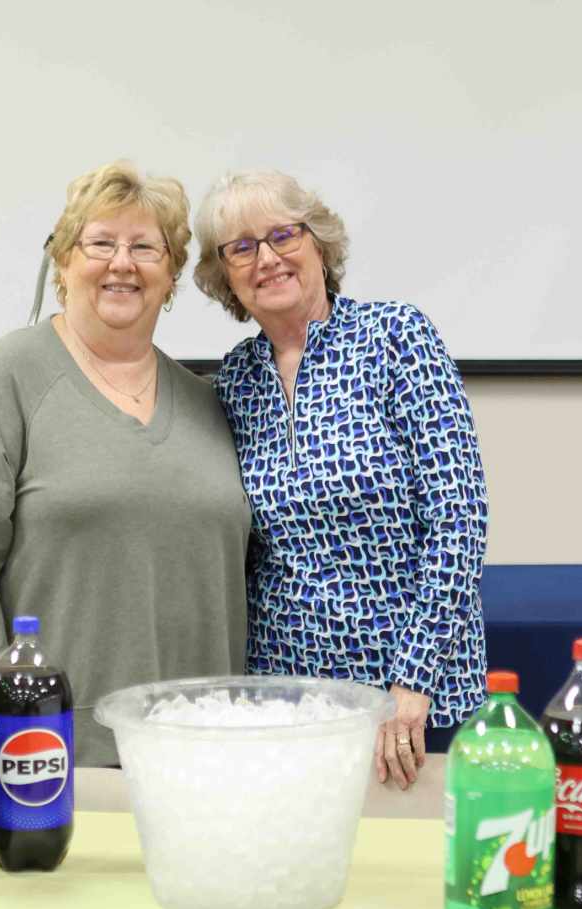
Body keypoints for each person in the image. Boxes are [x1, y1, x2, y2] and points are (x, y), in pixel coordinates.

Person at [0, 161, 250, 766]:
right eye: (100, 243)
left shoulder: (209, 401)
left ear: (171, 275)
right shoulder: (4, 378)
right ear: (63, 263)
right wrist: (9, 716)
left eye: (145, 247)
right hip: (58, 750)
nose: (122, 263)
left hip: (207, 746)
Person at [193, 170, 487, 790]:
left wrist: (413, 680)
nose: (266, 258)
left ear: (319, 245)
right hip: (285, 701)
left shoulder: (396, 337)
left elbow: (459, 520)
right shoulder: (235, 380)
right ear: (226, 277)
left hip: (409, 700)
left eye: (282, 235)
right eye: (241, 247)